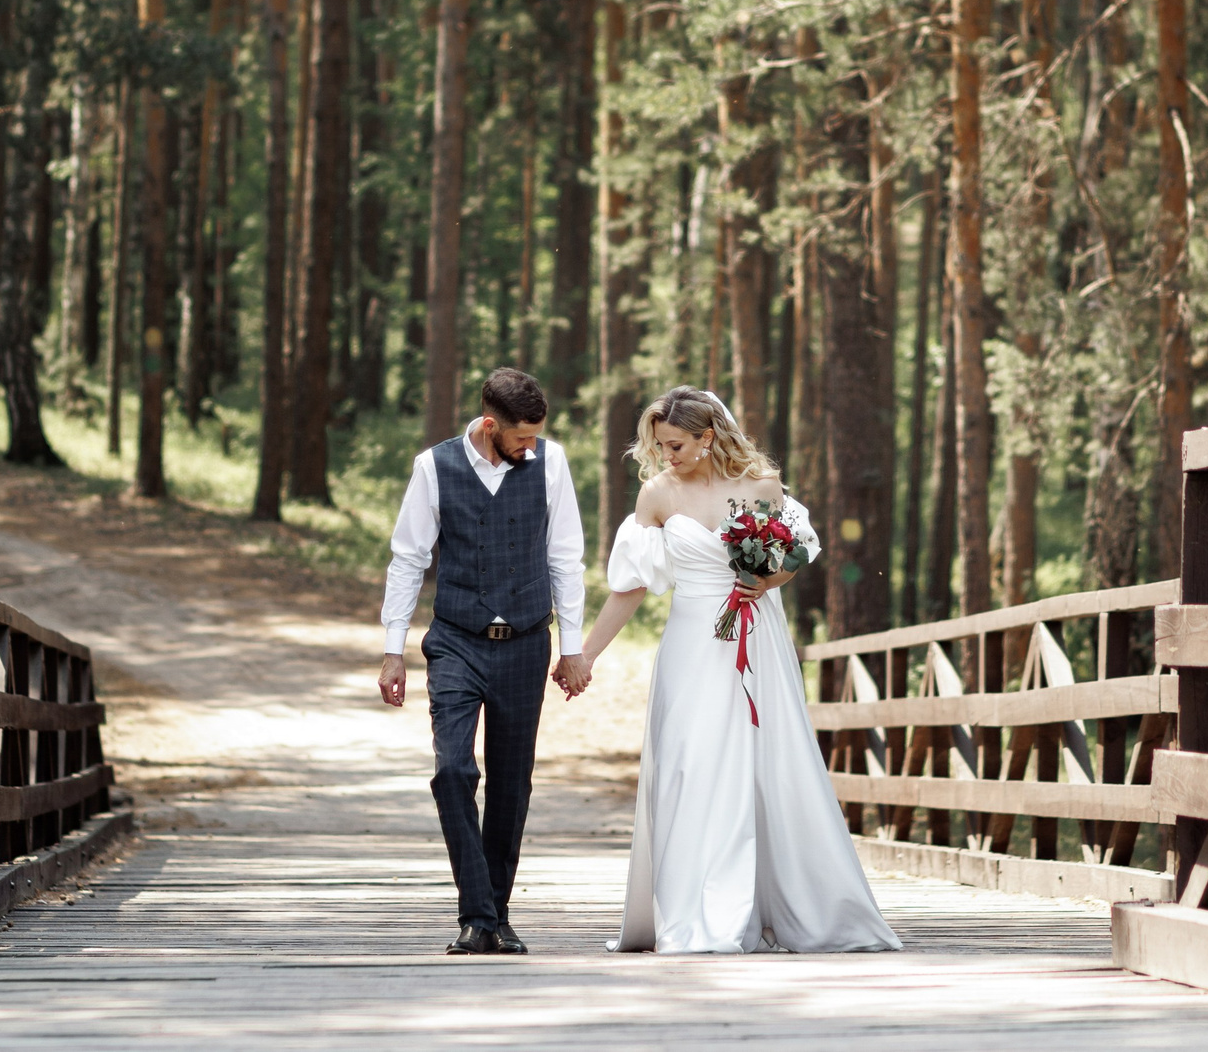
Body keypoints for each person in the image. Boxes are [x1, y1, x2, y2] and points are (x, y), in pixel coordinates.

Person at [565, 385, 901, 954]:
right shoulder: (657, 496)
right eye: (660, 445)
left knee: (765, 762)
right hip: (692, 642)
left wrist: (766, 580)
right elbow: (632, 586)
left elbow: (794, 554)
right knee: (690, 764)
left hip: (756, 635)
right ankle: (697, 911)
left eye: (675, 444)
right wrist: (587, 653)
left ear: (708, 436)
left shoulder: (762, 487)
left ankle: (785, 904)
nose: (666, 455)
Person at [378, 367, 586, 955]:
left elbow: (566, 557)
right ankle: (478, 911)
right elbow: (407, 559)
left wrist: (572, 648)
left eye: (536, 436)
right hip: (456, 641)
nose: (531, 447)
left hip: (526, 641)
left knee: (511, 785)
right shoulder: (434, 467)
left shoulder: (552, 463)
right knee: (453, 772)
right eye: (521, 437)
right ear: (490, 425)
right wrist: (393, 650)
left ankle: (494, 914)